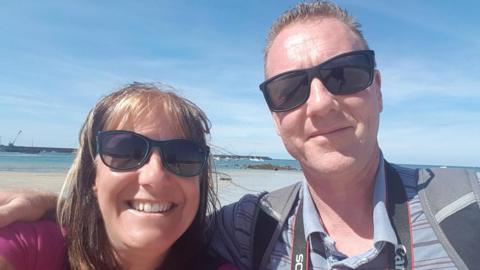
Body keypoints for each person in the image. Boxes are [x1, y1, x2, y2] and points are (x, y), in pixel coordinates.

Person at [1, 1, 479, 270]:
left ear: (376, 88)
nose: (319, 104)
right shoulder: (249, 228)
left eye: (344, 76)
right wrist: (53, 205)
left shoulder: (468, 210)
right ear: (275, 115)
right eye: (290, 89)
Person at [0, 83, 237, 270]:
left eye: (182, 155)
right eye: (125, 151)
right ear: (92, 176)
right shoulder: (36, 248)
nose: (154, 176)